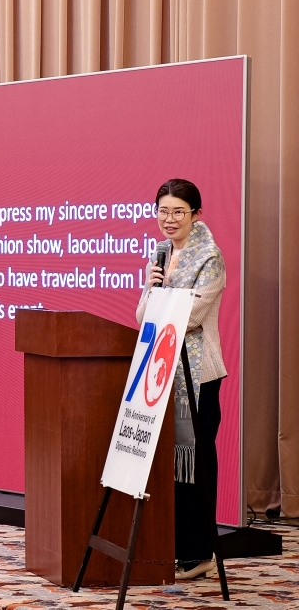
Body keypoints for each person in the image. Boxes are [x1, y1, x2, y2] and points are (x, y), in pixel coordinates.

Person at [137, 178, 226, 581]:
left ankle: (200, 552)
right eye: (163, 211)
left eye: (178, 212)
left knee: (196, 464)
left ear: (196, 214)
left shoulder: (210, 258)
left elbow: (190, 317)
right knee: (170, 467)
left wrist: (160, 300)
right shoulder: (159, 254)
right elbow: (143, 317)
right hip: (162, 373)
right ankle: (177, 546)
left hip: (197, 376)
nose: (169, 219)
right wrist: (153, 289)